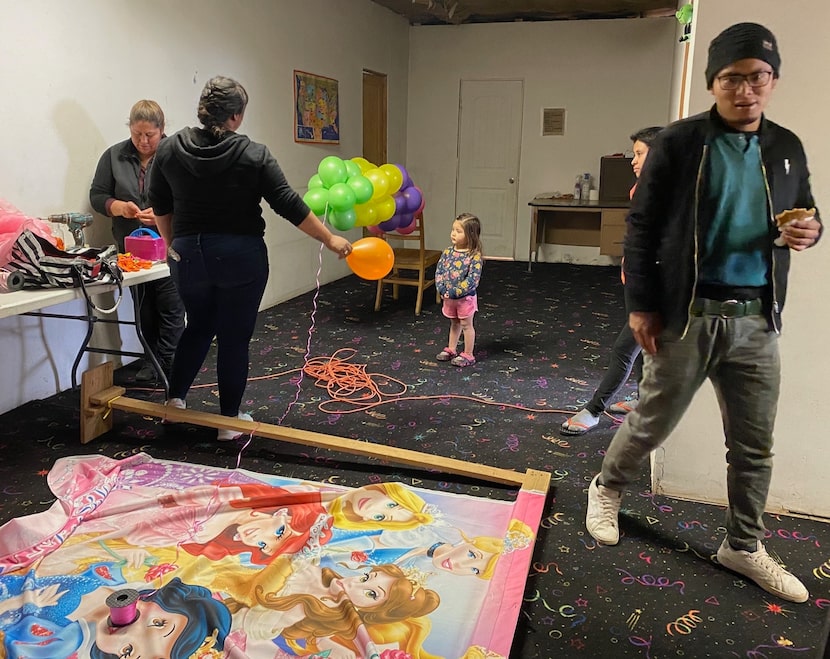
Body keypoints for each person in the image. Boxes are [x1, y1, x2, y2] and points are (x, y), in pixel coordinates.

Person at [585, 23, 822, 604]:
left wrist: (810, 229)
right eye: (732, 78)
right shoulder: (679, 142)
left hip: (755, 319)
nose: (746, 90)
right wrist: (640, 305)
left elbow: (803, 210)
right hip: (686, 314)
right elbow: (640, 228)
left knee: (753, 444)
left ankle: (743, 544)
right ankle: (606, 487)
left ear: (773, 81)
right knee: (651, 422)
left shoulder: (786, 145)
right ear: (714, 83)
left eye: (758, 77)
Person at [148, 76, 352, 441]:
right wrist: (330, 238)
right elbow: (288, 203)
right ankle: (228, 421)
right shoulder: (253, 154)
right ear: (237, 117)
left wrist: (172, 245)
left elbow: (160, 204)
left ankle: (173, 405)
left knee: (197, 325)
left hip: (188, 255)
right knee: (233, 336)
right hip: (239, 255)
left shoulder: (170, 148)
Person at [561, 126, 663, 435]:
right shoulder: (643, 188)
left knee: (624, 349)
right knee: (644, 347)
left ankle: (593, 410)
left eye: (639, 154)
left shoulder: (667, 195)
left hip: (657, 292)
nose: (633, 161)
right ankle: (644, 400)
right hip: (640, 285)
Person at [90, 100, 185, 382]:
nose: (143, 141)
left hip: (171, 245)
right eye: (137, 135)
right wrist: (116, 206)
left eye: (150, 135)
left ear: (162, 129)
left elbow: (192, 199)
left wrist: (163, 215)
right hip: (132, 250)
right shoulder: (113, 156)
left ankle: (169, 363)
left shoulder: (177, 155)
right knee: (144, 308)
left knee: (170, 306)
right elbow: (97, 194)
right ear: (129, 129)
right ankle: (152, 361)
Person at [434, 212, 483, 367]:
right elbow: (439, 271)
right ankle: (451, 348)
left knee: (466, 325)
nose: (453, 234)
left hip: (464, 299)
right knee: (454, 322)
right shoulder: (448, 252)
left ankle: (468, 354)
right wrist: (441, 288)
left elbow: (472, 280)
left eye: (459, 231)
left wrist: (455, 292)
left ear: (470, 235)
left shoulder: (474, 256)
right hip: (448, 297)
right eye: (453, 230)